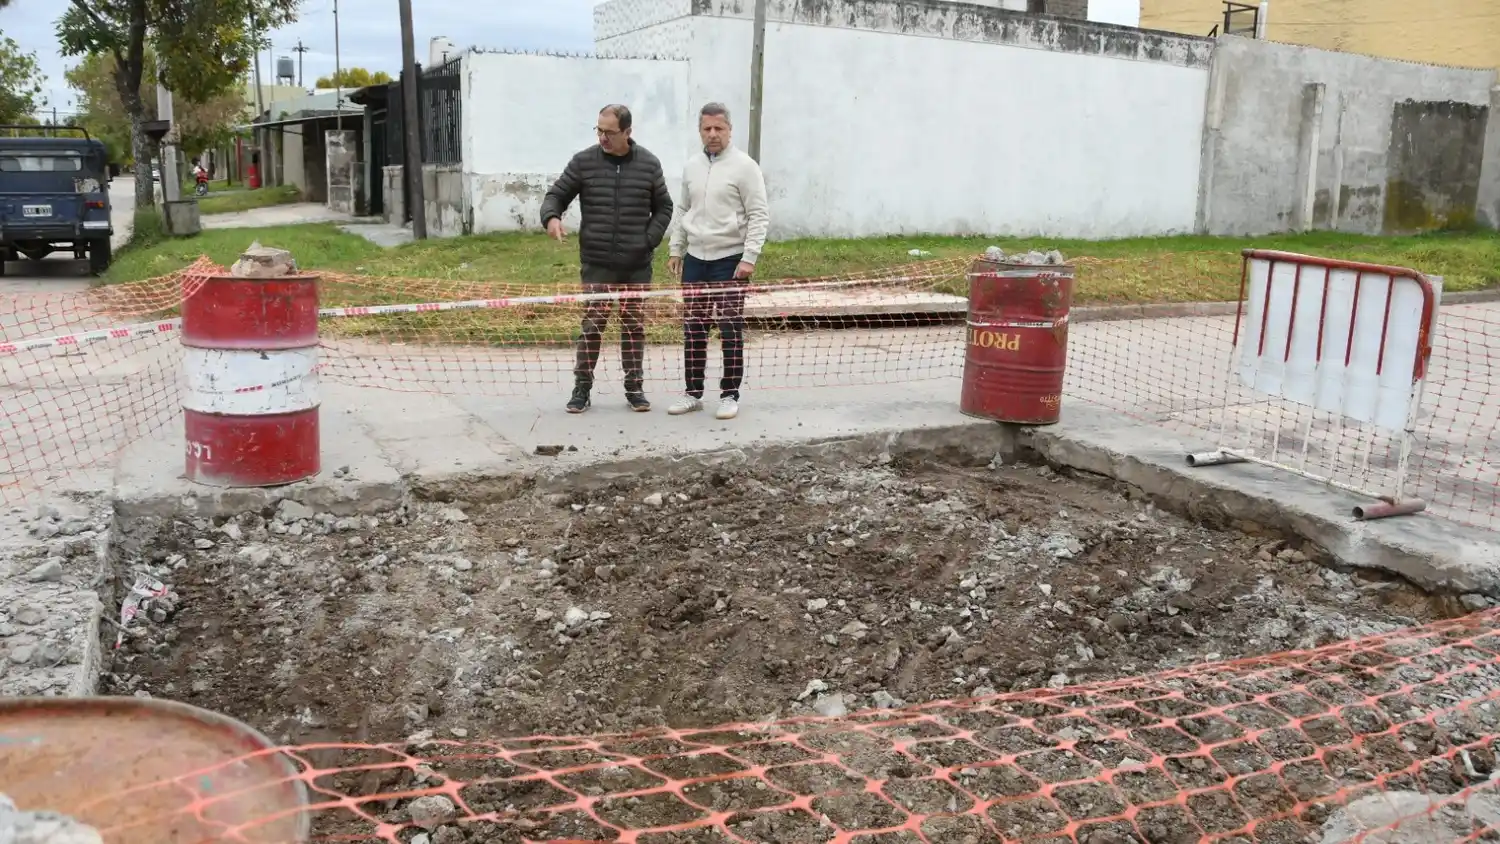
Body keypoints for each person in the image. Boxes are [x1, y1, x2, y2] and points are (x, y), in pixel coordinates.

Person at [541, 104, 674, 414]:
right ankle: (581, 388)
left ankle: (634, 387)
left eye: (609, 132)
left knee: (633, 326)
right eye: (598, 130)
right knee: (593, 325)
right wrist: (551, 217)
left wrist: (647, 240)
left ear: (627, 132)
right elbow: (556, 195)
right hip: (597, 262)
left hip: (636, 265)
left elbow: (664, 207)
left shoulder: (649, 165)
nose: (602, 137)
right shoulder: (584, 162)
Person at [666, 102, 770, 421]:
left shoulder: (745, 167)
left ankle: (729, 393)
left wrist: (749, 257)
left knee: (729, 328)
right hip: (696, 259)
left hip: (731, 261)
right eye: (707, 129)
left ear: (729, 130)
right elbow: (684, 209)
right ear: (700, 131)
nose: (713, 135)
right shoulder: (691, 167)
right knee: (694, 328)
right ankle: (693, 393)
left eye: (719, 129)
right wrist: (676, 247)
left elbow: (758, 214)